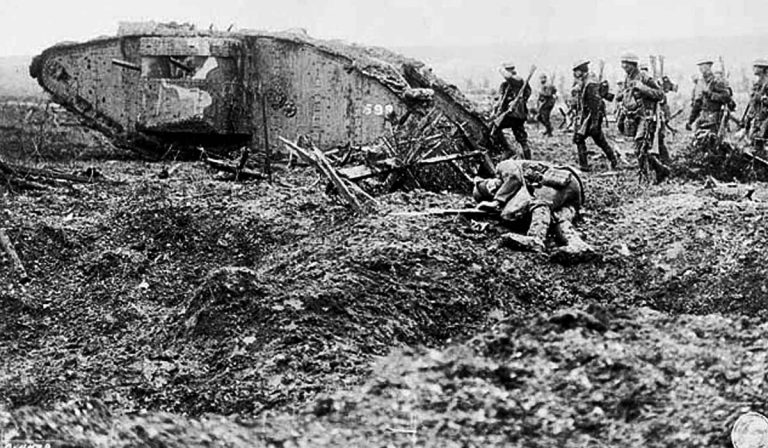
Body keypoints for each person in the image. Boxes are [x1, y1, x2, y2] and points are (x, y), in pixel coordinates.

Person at [473, 159, 594, 262]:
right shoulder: (513, 195)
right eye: (491, 192)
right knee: (558, 218)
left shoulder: (504, 166)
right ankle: (577, 244)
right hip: (572, 194)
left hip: (558, 179)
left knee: (538, 202)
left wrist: (496, 201)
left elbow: (514, 177)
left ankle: (536, 238)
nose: (494, 188)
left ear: (490, 178)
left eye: (490, 185)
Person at [616, 52, 670, 182]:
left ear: (634, 65)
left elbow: (660, 94)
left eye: (627, 64)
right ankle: (657, 170)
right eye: (622, 63)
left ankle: (647, 175)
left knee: (640, 146)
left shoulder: (644, 77)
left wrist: (643, 88)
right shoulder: (627, 78)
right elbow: (626, 94)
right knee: (641, 148)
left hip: (645, 116)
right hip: (633, 116)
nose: (624, 66)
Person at [571, 59, 619, 171]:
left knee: (579, 139)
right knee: (599, 140)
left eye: (576, 71)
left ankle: (584, 166)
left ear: (581, 70)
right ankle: (613, 160)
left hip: (590, 116)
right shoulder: (587, 80)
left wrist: (594, 122)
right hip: (588, 116)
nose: (575, 73)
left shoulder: (590, 84)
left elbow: (595, 105)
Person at [491, 62, 533, 159]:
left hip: (515, 114)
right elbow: (499, 100)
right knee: (522, 139)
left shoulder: (518, 81)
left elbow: (509, 77)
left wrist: (501, 69)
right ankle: (526, 158)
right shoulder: (505, 85)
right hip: (511, 115)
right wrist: (494, 111)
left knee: (495, 127)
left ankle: (508, 149)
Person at [687, 58, 736, 131]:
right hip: (703, 116)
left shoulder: (717, 81)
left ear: (709, 66)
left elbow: (726, 97)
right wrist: (690, 120)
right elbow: (697, 104)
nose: (701, 69)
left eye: (703, 66)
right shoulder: (700, 83)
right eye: (700, 66)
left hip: (715, 117)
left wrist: (711, 95)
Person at [745, 58, 768, 153]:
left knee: (759, 141)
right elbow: (752, 103)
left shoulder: (766, 83)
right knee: (754, 141)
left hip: (765, 117)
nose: (754, 68)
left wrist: (761, 98)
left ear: (762, 69)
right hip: (757, 117)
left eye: (756, 66)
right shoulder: (758, 83)